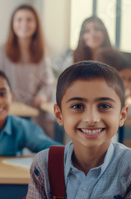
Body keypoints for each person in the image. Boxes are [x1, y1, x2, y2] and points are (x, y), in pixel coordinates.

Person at [27, 61, 130, 199]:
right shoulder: (44, 164)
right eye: (77, 106)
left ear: (122, 115)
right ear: (59, 115)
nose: (91, 119)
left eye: (104, 106)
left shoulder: (128, 168)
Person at [0, 67, 60, 156]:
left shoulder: (21, 127)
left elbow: (53, 149)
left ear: (11, 97)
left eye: (2, 94)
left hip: (10, 173)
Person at [0, 4, 55, 136]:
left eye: (29, 20)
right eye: (19, 19)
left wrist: (42, 95)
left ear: (36, 24)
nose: (24, 24)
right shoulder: (1, 52)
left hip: (34, 113)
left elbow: (49, 83)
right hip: (8, 111)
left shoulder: (42, 54)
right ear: (13, 24)